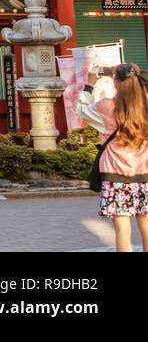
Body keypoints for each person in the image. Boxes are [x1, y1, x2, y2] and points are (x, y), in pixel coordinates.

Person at [79, 62, 148, 252]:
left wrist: (90, 85)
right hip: (145, 173)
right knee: (147, 226)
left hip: (115, 174)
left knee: (122, 230)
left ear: (116, 83)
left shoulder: (106, 106)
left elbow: (82, 111)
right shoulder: (146, 106)